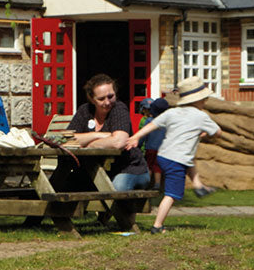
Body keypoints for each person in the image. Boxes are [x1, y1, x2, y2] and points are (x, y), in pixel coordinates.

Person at [126, 75, 220, 233]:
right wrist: (205, 132)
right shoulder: (201, 116)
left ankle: (198, 186)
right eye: (203, 99)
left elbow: (153, 125)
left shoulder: (173, 113)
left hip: (163, 156)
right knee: (171, 194)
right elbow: (218, 132)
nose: (205, 102)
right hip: (176, 159)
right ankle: (157, 225)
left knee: (190, 160)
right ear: (197, 100)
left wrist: (136, 137)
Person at [59, 74, 151, 191]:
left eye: (110, 96)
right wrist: (99, 135)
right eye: (101, 99)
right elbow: (67, 139)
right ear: (92, 99)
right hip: (95, 169)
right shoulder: (85, 111)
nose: (107, 102)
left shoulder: (119, 108)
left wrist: (89, 144)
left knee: (117, 189)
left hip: (129, 168)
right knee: (66, 185)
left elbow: (119, 142)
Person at [137, 96, 170, 190]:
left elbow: (143, 134)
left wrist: (139, 144)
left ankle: (146, 183)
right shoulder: (166, 122)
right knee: (157, 167)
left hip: (150, 148)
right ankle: (157, 184)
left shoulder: (149, 121)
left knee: (148, 166)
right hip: (162, 149)